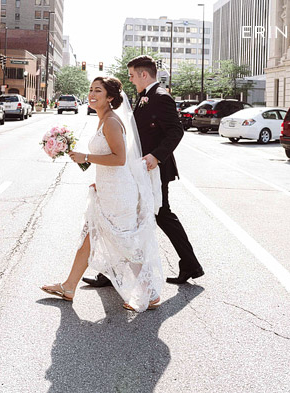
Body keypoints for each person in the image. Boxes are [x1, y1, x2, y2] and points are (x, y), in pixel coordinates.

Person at [41, 76, 164, 312]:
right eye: (90, 90)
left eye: (98, 91)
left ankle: (151, 292)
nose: (91, 94)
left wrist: (85, 157)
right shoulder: (102, 120)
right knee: (88, 236)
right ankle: (68, 286)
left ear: (110, 97)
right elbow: (110, 159)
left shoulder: (111, 122)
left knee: (125, 244)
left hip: (119, 195)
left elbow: (119, 159)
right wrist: (97, 181)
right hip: (108, 189)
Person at [83, 55, 204, 287]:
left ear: (144, 74)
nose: (130, 80)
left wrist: (157, 156)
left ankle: (189, 264)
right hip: (138, 168)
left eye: (131, 75)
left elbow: (176, 131)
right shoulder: (144, 97)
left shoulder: (160, 97)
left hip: (154, 169)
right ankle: (112, 272)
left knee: (158, 215)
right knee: (130, 217)